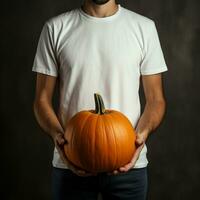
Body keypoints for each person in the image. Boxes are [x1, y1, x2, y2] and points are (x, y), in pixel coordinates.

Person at [32, 0, 168, 199]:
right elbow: (41, 100)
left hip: (129, 164)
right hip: (71, 163)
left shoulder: (144, 28)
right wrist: (58, 138)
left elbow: (156, 99)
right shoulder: (55, 28)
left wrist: (142, 136)